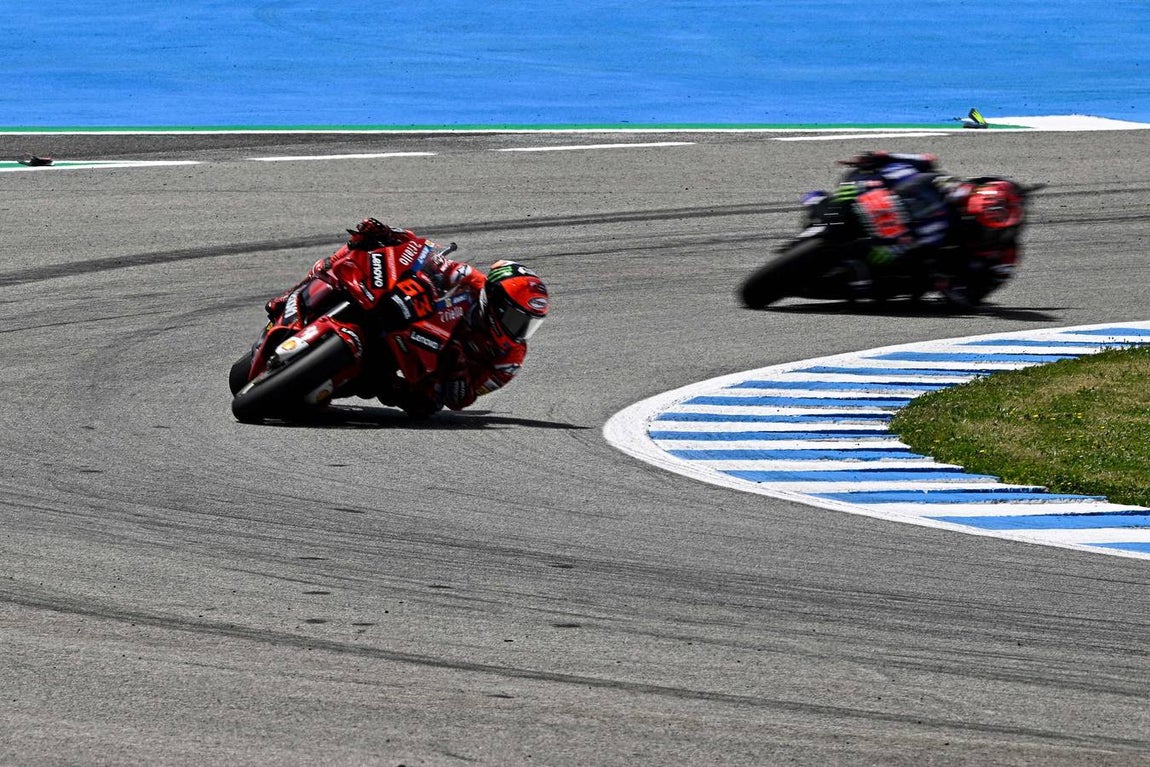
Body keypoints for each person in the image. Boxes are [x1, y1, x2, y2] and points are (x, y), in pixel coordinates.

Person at [265, 217, 549, 416]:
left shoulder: (509, 359)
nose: (520, 330)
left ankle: (333, 378)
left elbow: (463, 399)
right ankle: (292, 296)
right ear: (495, 300)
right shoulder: (470, 280)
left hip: (422, 372)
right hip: (408, 320)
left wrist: (457, 368)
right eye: (516, 318)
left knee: (422, 406)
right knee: (353, 254)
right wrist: (392, 236)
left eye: (528, 324)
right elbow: (432, 261)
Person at [833, 151, 1026, 305]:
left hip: (931, 267)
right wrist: (882, 157)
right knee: (861, 187)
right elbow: (926, 163)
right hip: (903, 222)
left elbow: (977, 294)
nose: (987, 233)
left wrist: (948, 284)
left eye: (988, 228)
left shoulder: (1005, 253)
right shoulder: (961, 191)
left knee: (908, 277)